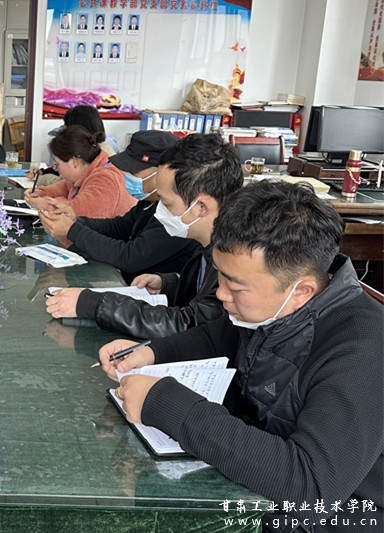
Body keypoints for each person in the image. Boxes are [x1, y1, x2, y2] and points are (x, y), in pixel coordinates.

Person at [100, 180, 383, 530]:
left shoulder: (362, 351)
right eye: (219, 276)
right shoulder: (273, 307)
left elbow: (311, 489)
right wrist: (152, 353)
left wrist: (166, 404)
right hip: (271, 476)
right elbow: (218, 336)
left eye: (234, 286)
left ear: (302, 291)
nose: (220, 294)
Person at [45, 133, 243, 339]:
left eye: (166, 204)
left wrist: (95, 304)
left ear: (201, 207)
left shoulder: (234, 261)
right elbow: (202, 295)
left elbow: (192, 324)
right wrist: (170, 283)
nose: (160, 211)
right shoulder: (207, 244)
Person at [39, 130, 197, 284]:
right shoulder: (149, 201)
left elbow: (130, 257)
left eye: (134, 171)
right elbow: (120, 226)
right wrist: (76, 220)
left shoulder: (177, 213)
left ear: (162, 172)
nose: (127, 176)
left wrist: (72, 230)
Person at [23, 125, 137, 223]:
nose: (57, 170)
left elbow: (77, 214)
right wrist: (42, 192)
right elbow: (66, 186)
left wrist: (46, 205)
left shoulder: (106, 179)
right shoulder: (89, 170)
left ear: (74, 162)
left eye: (57, 164)